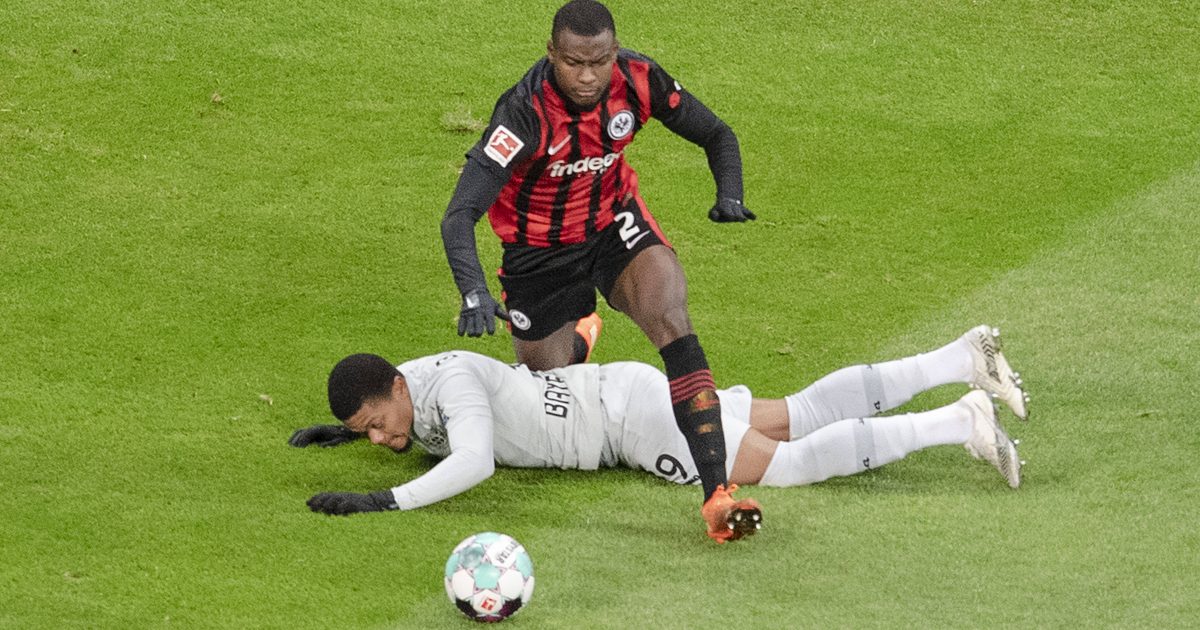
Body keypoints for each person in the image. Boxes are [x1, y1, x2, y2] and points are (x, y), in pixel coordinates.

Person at [439, 0, 758, 536]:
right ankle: (581, 334)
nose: (587, 77)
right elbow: (459, 214)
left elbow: (718, 134)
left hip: (613, 225)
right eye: (573, 63)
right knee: (548, 381)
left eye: (599, 62)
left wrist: (730, 194)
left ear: (614, 52)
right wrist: (472, 291)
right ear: (551, 54)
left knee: (671, 319)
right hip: (538, 251)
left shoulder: (639, 79)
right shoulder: (522, 114)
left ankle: (716, 492)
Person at [290, 325, 1030, 542]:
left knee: (789, 463)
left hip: (632, 423)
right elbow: (410, 420)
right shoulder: (408, 387)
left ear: (399, 389)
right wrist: (343, 432)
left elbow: (475, 460)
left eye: (378, 426)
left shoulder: (450, 386)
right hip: (623, 391)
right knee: (797, 411)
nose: (382, 441)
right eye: (369, 435)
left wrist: (382, 501)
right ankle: (960, 358)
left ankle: (958, 421)